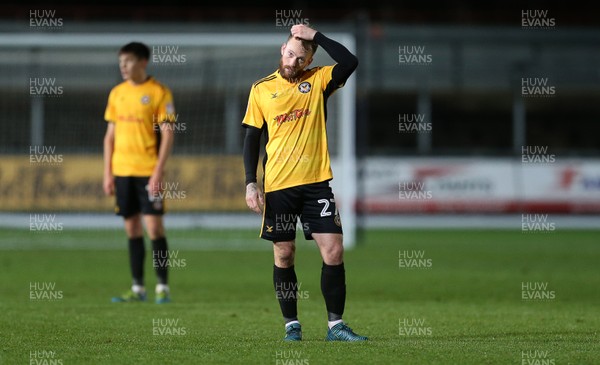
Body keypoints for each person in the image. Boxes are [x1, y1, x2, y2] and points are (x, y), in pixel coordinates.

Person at [242, 25, 367, 341]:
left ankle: (335, 326)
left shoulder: (320, 79)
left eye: (301, 58)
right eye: (290, 54)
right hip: (280, 187)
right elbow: (251, 138)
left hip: (316, 184)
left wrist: (318, 37)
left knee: (334, 250)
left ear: (309, 59)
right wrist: (250, 183)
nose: (293, 62)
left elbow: (350, 62)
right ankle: (291, 327)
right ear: (281, 50)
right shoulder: (260, 89)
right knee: (284, 254)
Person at [103, 42, 175, 304]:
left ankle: (163, 287)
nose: (123, 66)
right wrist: (107, 173)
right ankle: (137, 289)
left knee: (154, 227)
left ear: (143, 62)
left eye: (128, 61)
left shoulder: (158, 92)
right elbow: (109, 137)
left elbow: (168, 134)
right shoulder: (117, 93)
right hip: (122, 171)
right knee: (132, 229)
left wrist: (158, 171)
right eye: (121, 61)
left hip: (147, 171)